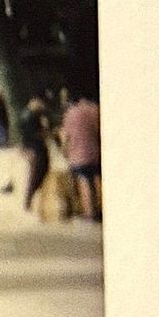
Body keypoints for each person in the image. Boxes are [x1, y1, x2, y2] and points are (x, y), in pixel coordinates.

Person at [59, 88, 102, 221]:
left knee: (84, 181)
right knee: (96, 179)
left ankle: (89, 212)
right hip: (96, 152)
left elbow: (65, 136)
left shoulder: (71, 113)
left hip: (78, 154)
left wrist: (64, 151)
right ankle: (99, 208)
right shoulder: (96, 109)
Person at [19, 95, 50, 217]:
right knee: (36, 175)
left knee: (33, 175)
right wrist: (46, 129)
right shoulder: (33, 116)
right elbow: (37, 134)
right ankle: (29, 201)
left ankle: (29, 201)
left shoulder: (25, 114)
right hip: (36, 149)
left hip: (30, 148)